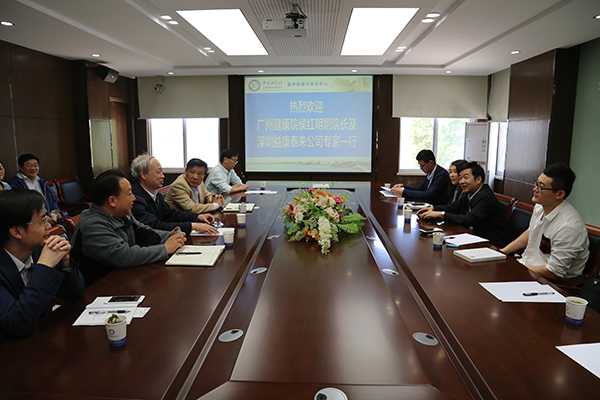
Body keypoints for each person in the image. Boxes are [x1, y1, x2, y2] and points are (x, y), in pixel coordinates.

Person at [70, 169, 185, 287]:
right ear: (112, 201)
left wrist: (170, 236)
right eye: (129, 194)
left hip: (123, 277)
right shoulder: (93, 225)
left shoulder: (121, 213)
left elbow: (143, 231)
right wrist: (165, 249)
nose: (134, 198)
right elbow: (123, 255)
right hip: (98, 288)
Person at [0, 189, 84, 344]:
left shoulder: (37, 249)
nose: (48, 226)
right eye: (42, 220)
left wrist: (65, 263)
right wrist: (44, 267)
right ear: (17, 231)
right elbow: (16, 323)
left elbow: (74, 293)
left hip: (42, 338)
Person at [499, 163, 588, 280]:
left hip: (547, 282)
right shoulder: (540, 207)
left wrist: (516, 268)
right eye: (537, 183)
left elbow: (553, 272)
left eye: (541, 186)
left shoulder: (568, 226)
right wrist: (502, 252)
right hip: (526, 267)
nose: (535, 189)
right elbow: (531, 232)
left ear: (559, 194)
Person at [417, 162, 515, 247]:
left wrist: (441, 215)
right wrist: (433, 208)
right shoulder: (467, 193)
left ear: (478, 179)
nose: (462, 181)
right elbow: (453, 207)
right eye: (460, 178)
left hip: (494, 242)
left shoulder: (486, 197)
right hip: (475, 237)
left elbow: (469, 220)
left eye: (466, 178)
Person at [129, 155, 219, 235]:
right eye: (158, 172)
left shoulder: (155, 194)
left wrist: (197, 217)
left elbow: (171, 214)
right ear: (143, 174)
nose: (163, 176)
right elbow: (155, 226)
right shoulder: (135, 199)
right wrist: (192, 226)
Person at [9, 154, 64, 224]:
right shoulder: (15, 184)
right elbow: (20, 206)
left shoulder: (42, 182)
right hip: (33, 219)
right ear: (20, 167)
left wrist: (54, 211)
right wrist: (42, 217)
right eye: (29, 165)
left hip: (49, 214)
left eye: (35, 165)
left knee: (73, 223)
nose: (33, 168)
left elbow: (53, 200)